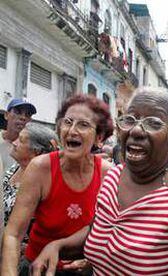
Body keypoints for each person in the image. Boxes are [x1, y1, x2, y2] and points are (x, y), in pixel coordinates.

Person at [30, 88, 168, 275]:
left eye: (153, 123)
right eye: (129, 120)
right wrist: (58, 246)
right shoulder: (114, 177)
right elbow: (99, 230)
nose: (136, 130)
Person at [2, 94, 114, 275]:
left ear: (99, 138)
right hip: (37, 268)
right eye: (68, 122)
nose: (72, 131)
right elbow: (13, 234)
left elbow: (109, 230)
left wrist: (93, 258)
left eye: (83, 125)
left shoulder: (108, 174)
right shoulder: (40, 167)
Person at [3, 122, 58, 226]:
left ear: (37, 151)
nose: (14, 143)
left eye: (21, 140)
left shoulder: (42, 183)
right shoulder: (16, 167)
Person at [0, 98, 37, 174]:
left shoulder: (31, 150)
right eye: (18, 112)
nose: (23, 117)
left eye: (28, 115)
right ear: (6, 115)